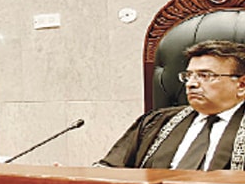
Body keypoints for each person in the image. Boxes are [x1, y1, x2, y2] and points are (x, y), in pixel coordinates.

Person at [97, 39, 245, 170]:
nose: (191, 84)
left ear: (241, 85)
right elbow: (108, 170)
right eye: (188, 76)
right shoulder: (155, 122)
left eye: (205, 76)